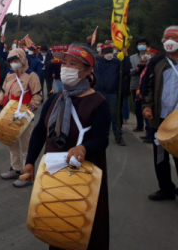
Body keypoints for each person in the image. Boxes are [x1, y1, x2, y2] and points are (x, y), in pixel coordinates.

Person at [23, 43, 111, 250]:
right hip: (54, 174)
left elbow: (101, 139)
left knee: (83, 227)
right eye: (64, 63)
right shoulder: (55, 98)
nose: (66, 68)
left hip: (83, 176)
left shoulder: (98, 103)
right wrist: (29, 163)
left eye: (73, 64)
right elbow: (38, 134)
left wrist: (84, 148)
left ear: (87, 71)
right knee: (57, 226)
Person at [0, 48, 42, 187]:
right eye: (11, 61)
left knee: (27, 147)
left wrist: (31, 107)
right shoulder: (9, 76)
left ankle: (27, 175)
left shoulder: (31, 76)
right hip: (9, 115)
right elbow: (3, 92)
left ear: (23, 59)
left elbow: (37, 94)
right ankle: (15, 169)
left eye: (16, 60)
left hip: (24, 116)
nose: (14, 63)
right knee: (12, 144)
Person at [142, 26, 178, 201]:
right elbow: (147, 86)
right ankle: (166, 189)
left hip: (177, 120)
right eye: (166, 38)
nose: (170, 41)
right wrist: (147, 106)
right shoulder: (157, 61)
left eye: (174, 38)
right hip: (161, 117)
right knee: (161, 157)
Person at [93, 43, 131, 146]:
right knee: (98, 116)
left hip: (113, 93)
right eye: (106, 53)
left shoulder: (117, 62)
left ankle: (118, 136)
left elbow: (126, 71)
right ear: (102, 53)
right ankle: (97, 138)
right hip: (99, 92)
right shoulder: (97, 61)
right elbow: (89, 54)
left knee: (115, 116)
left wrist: (126, 55)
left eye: (110, 52)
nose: (108, 54)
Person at [130, 38, 149, 132]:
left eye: (143, 43)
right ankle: (139, 125)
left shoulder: (150, 56)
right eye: (140, 43)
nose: (141, 45)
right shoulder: (132, 57)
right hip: (135, 85)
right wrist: (135, 70)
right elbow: (128, 71)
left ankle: (148, 128)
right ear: (137, 46)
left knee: (146, 106)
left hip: (147, 85)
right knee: (137, 107)